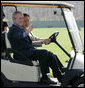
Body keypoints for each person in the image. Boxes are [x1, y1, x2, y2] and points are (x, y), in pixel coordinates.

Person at [8, 11, 64, 84]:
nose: (22, 20)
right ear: (14, 19)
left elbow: (28, 40)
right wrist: (27, 32)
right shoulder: (13, 30)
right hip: (22, 54)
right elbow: (18, 37)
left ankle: (59, 75)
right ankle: (45, 77)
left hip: (27, 51)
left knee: (50, 54)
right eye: (20, 18)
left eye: (22, 18)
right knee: (44, 53)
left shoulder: (20, 29)